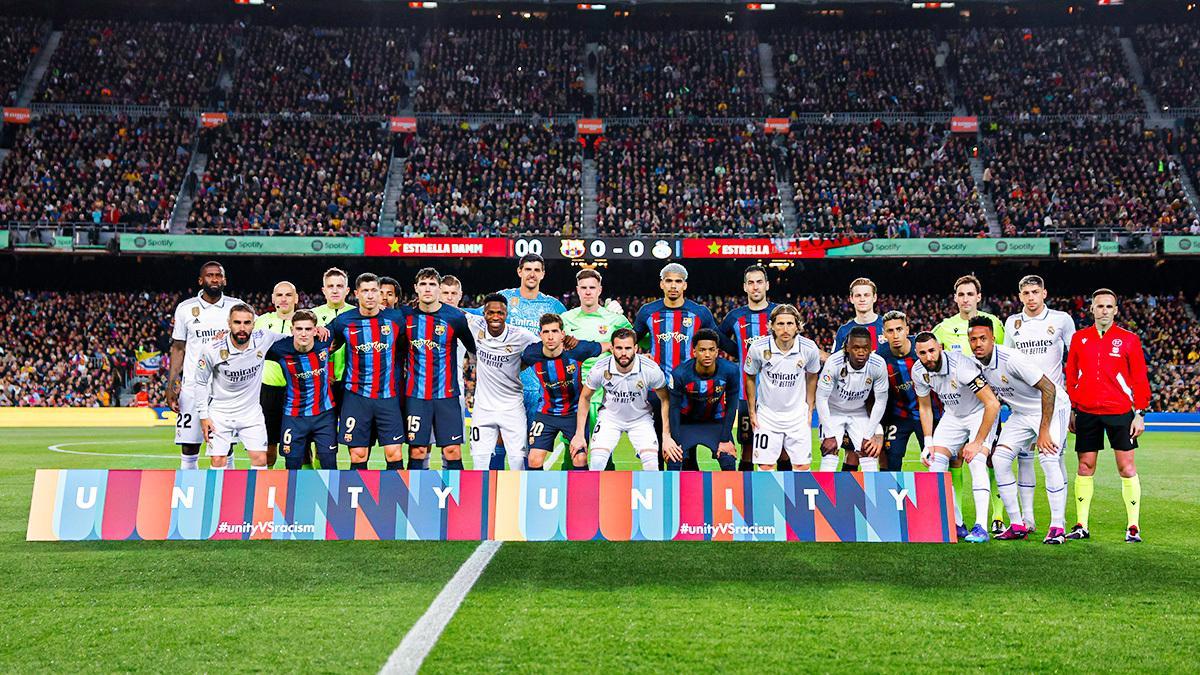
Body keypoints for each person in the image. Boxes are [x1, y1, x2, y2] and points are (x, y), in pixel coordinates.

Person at [969, 317, 1070, 544]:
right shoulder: (975, 364)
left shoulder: (1011, 359)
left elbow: (1049, 389)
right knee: (1000, 459)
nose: (978, 344)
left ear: (993, 339)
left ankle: (1057, 527)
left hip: (1052, 408)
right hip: (1022, 414)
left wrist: (1044, 431)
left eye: (983, 338)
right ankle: (1016, 524)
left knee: (1049, 458)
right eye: (973, 339)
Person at [1065, 289, 1151, 543]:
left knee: (1126, 467)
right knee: (1084, 466)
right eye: (1099, 306)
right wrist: (1073, 408)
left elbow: (1139, 378)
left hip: (1120, 412)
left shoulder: (1129, 340)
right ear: (1092, 309)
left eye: (1108, 306)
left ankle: (1133, 526)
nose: (1104, 310)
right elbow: (1071, 376)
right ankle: (1081, 524)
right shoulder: (1079, 339)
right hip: (1088, 411)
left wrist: (1140, 413)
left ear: (1116, 310)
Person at [467, 253, 566, 470]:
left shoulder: (554, 306)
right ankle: (495, 492)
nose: (532, 274)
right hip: (506, 389)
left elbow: (567, 339)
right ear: (519, 271)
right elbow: (473, 316)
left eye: (536, 270)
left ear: (543, 274)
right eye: (527, 269)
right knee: (499, 443)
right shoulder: (503, 299)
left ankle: (525, 494)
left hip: (540, 390)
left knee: (531, 448)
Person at [932, 274, 1006, 533]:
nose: (965, 299)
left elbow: (1002, 361)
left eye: (970, 294)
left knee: (987, 458)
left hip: (986, 403)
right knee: (955, 461)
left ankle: (995, 517)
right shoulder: (942, 328)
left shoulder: (993, 324)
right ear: (955, 298)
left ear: (978, 297)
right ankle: (956, 519)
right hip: (957, 405)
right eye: (961, 294)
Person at [912, 332, 1001, 543]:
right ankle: (957, 523)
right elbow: (924, 407)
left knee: (977, 461)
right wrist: (928, 443)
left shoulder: (962, 366)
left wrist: (977, 442)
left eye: (932, 351)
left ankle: (981, 527)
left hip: (979, 412)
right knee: (935, 464)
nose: (928, 357)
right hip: (953, 415)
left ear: (940, 348)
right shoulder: (918, 371)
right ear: (917, 354)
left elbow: (992, 404)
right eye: (922, 353)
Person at [1003, 274, 1076, 530]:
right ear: (1020, 295)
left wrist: (1073, 404)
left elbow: (1074, 360)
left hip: (1054, 402)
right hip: (1023, 404)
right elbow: (1007, 362)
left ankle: (1060, 520)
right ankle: (1028, 518)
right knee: (1023, 457)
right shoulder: (1012, 323)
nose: (1031, 297)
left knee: (1053, 458)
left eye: (1035, 292)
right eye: (1026, 293)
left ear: (1044, 293)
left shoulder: (1062, 320)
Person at [166, 261, 244, 469]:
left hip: (224, 388)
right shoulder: (185, 309)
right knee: (189, 446)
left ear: (225, 280)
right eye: (210, 275)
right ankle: (189, 494)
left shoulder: (236, 308)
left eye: (219, 275)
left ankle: (228, 493)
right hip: (192, 387)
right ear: (201, 280)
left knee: (225, 447)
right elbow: (178, 348)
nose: (215, 279)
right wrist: (172, 384)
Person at [327, 273, 408, 471]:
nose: (370, 295)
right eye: (365, 291)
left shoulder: (396, 318)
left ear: (380, 294)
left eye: (374, 291)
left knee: (394, 452)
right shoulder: (343, 321)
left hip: (387, 397)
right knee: (358, 454)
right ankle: (357, 501)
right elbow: (324, 342)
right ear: (356, 294)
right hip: (355, 398)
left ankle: (396, 499)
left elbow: (408, 345)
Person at [194, 304, 290, 469]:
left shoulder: (263, 337)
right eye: (237, 322)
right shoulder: (212, 348)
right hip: (220, 413)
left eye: (247, 323)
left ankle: (256, 495)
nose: (242, 328)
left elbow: (292, 338)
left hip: (250, 412)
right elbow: (200, 382)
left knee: (261, 458)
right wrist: (203, 416)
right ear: (229, 323)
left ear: (254, 324)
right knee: (218, 460)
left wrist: (317, 330)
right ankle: (221, 494)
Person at [400, 268, 475, 470]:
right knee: (418, 450)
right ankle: (414, 498)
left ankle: (455, 498)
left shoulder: (455, 318)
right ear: (416, 288)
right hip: (416, 396)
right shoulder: (405, 317)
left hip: (447, 396)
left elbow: (474, 350)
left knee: (452, 451)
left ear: (438, 288)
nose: (427, 288)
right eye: (423, 284)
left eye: (432, 284)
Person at [572, 328, 673, 471]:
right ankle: (597, 494)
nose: (624, 353)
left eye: (628, 348)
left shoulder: (650, 369)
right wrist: (579, 434)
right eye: (619, 348)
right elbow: (585, 397)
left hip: (641, 418)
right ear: (612, 348)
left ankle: (651, 493)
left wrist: (666, 435)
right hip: (610, 418)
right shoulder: (600, 368)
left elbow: (665, 399)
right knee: (597, 462)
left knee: (651, 464)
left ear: (636, 348)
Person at [561, 268, 632, 469]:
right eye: (583, 288)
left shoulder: (615, 319)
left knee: (604, 452)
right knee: (572, 450)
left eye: (592, 287)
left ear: (600, 290)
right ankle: (567, 496)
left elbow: (640, 342)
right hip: (574, 391)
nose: (588, 292)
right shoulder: (566, 319)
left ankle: (608, 497)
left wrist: (624, 316)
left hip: (605, 394)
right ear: (577, 290)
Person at [464, 294, 540, 470]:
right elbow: (454, 312)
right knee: (480, 462)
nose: (495, 317)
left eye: (500, 313)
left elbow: (545, 348)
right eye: (491, 312)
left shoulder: (521, 335)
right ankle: (482, 497)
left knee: (517, 461)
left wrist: (522, 364)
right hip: (483, 409)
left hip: (512, 408)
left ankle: (520, 496)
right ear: (484, 313)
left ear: (506, 314)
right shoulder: (475, 325)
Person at [520, 313, 606, 470]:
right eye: (546, 332)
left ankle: (582, 494)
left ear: (563, 334)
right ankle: (535, 493)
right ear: (540, 335)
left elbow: (610, 345)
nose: (550, 336)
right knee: (533, 460)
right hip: (546, 413)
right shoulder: (531, 353)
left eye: (554, 331)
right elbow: (515, 368)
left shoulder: (579, 349)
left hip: (574, 414)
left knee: (579, 459)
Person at [743, 305, 821, 471]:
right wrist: (752, 411)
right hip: (767, 415)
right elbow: (749, 377)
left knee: (802, 465)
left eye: (790, 323)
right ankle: (768, 497)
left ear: (797, 326)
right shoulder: (758, 347)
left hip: (797, 416)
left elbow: (812, 376)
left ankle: (799, 497)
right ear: (771, 325)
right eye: (780, 324)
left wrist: (809, 408)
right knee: (765, 465)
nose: (785, 329)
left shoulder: (809, 348)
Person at [717, 264, 779, 470]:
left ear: (767, 285)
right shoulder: (736, 316)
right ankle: (746, 497)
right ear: (745, 287)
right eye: (751, 283)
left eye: (759, 282)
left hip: (779, 392)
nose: (755, 287)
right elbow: (720, 338)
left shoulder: (779, 313)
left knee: (784, 448)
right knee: (748, 447)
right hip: (746, 395)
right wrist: (741, 353)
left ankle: (786, 493)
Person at [265, 310, 338, 470]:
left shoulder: (324, 340)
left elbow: (347, 319)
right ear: (292, 330)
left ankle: (328, 495)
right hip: (294, 416)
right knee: (292, 465)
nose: (303, 333)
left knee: (329, 463)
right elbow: (249, 347)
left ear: (315, 330)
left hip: (324, 415)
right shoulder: (279, 349)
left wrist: (382, 307)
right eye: (299, 329)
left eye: (308, 329)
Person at [815, 327, 889, 472]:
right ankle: (825, 492)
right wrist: (829, 435)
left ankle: (871, 493)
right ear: (847, 348)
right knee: (829, 450)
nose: (861, 352)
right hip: (833, 411)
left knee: (868, 450)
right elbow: (821, 397)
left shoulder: (878, 364)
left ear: (871, 348)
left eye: (865, 348)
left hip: (860, 412)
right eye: (856, 348)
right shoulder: (834, 363)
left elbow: (880, 401)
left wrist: (868, 435)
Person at [666, 329, 741, 471]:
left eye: (711, 350)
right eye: (702, 350)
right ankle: (675, 492)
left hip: (715, 422)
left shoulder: (730, 370)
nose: (707, 354)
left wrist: (725, 440)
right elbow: (674, 408)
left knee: (728, 457)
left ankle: (731, 493)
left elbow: (731, 405)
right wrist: (675, 440)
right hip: (686, 422)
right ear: (694, 352)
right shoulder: (680, 374)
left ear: (717, 352)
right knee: (674, 458)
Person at [877, 311, 942, 472]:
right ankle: (889, 496)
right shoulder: (880, 357)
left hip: (928, 414)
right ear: (884, 334)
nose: (895, 335)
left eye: (899, 329)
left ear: (907, 329)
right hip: (898, 416)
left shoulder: (922, 350)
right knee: (890, 459)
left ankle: (940, 496)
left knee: (935, 459)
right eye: (890, 331)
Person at [256, 281, 298, 469]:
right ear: (273, 299)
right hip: (268, 391)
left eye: (288, 295)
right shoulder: (261, 322)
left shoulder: (305, 321)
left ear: (296, 298)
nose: (283, 299)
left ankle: (301, 486)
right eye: (279, 295)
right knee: (269, 449)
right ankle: (265, 487)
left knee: (300, 448)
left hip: (297, 391)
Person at [834, 277, 886, 350]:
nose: (862, 299)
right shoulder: (844, 330)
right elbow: (834, 359)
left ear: (874, 297)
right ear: (851, 299)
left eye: (866, 295)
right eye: (858, 295)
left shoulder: (887, 326)